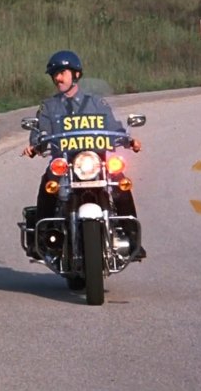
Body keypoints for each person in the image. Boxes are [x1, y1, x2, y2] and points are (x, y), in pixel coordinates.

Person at [20, 50, 145, 260]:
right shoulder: (49, 106)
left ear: (75, 74)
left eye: (62, 72)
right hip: (65, 165)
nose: (58, 78)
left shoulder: (96, 103)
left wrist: (129, 140)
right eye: (54, 75)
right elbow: (40, 133)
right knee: (48, 183)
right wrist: (35, 146)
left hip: (96, 163)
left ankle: (132, 238)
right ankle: (41, 239)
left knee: (121, 182)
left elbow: (113, 128)